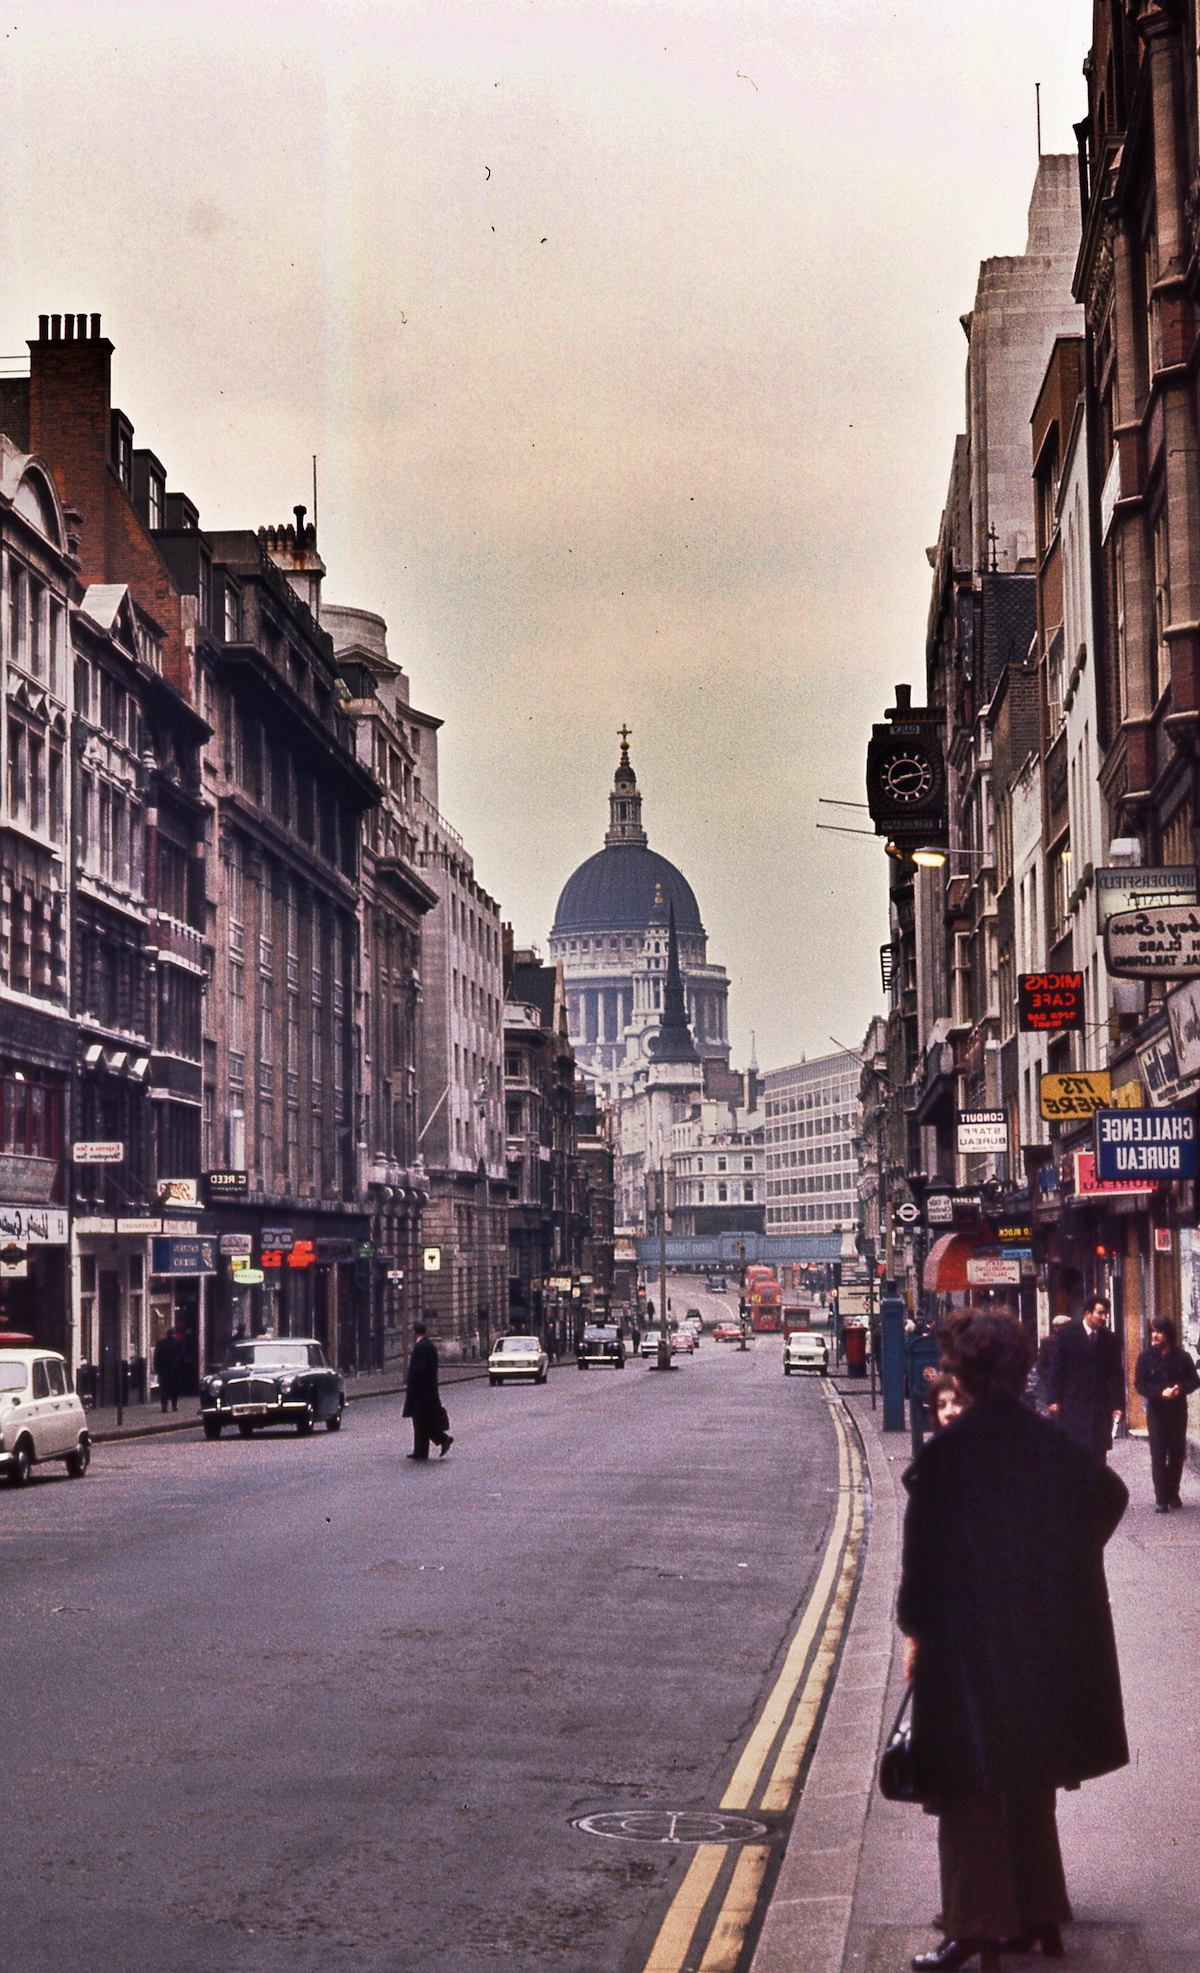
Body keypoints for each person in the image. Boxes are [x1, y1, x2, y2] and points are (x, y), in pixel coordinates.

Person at [898, 1311, 1128, 1972]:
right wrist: (1057, 1566)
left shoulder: (950, 1451)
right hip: (1040, 1639)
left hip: (968, 1645)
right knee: (1029, 1774)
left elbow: (924, 1560)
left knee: (969, 1784)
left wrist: (916, 1631)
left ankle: (973, 1926)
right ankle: (1038, 1913)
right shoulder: (1045, 1441)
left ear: (964, 1374)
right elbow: (1107, 1496)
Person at [1046, 1296, 1124, 1462]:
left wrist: (1118, 1404)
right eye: (1100, 1313)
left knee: (1098, 1453)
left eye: (1106, 1314)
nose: (1104, 1318)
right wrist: (1053, 1398)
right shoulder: (1068, 1335)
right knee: (1074, 1451)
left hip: (1099, 1406)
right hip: (1073, 1404)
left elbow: (1116, 1373)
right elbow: (1056, 1368)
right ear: (1088, 1313)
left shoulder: (1110, 1339)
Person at [1134, 1316, 1199, 1512]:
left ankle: (1173, 1491)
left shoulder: (1182, 1356)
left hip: (1177, 1410)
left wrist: (1179, 1388)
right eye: (1153, 1331)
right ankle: (1161, 1497)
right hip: (1157, 1410)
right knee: (1158, 1452)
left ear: (1168, 1334)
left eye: (1159, 1332)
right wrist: (1158, 1392)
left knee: (1177, 1453)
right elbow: (1140, 1383)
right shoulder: (1146, 1357)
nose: (1155, 1335)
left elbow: (1194, 1380)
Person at [403, 1320, 453, 1460]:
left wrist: (415, 1385)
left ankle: (443, 1439)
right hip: (427, 1391)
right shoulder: (428, 1345)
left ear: (414, 1332)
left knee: (421, 1422)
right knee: (421, 1422)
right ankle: (420, 1451)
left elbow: (420, 1369)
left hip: (422, 1393)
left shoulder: (421, 1346)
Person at [153, 1321, 185, 1413]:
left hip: (163, 1370)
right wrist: (181, 1368)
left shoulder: (160, 1343)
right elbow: (181, 1357)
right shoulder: (178, 1343)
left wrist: (157, 1368)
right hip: (175, 1370)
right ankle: (174, 1406)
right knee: (174, 1388)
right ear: (174, 1334)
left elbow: (156, 1357)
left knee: (164, 1388)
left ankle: (164, 1407)